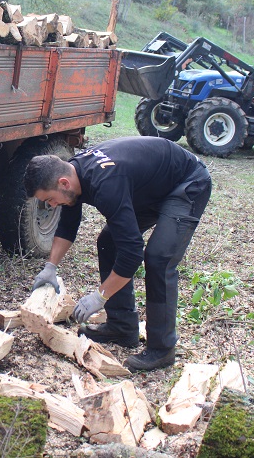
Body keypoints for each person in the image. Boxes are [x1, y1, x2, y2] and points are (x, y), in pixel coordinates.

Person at [25, 137, 212, 371]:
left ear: (63, 183)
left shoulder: (106, 184)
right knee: (109, 242)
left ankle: (162, 350)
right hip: (151, 186)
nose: (51, 205)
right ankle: (123, 327)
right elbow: (68, 226)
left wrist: (99, 297)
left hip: (187, 183)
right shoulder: (73, 174)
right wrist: (50, 267)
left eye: (49, 199)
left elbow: (132, 253)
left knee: (158, 259)